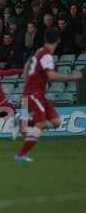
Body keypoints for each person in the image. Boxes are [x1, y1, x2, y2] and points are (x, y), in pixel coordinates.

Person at [15, 27, 83, 162]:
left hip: (38, 94)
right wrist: (71, 77)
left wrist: (29, 75)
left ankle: (23, 123)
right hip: (33, 93)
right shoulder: (46, 55)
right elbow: (51, 75)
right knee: (40, 123)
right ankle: (20, 155)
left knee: (57, 122)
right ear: (58, 39)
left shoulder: (39, 51)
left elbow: (28, 64)